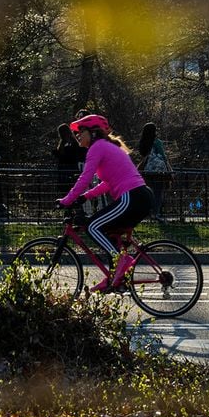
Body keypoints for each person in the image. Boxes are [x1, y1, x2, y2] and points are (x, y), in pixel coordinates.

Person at [57, 114, 155, 291]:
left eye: (81, 131)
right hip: (140, 197)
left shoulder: (97, 147)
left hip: (131, 197)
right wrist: (86, 197)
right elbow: (108, 182)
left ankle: (121, 262)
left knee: (93, 226)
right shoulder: (106, 146)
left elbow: (85, 177)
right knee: (108, 231)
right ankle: (113, 278)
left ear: (93, 132)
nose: (77, 135)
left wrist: (68, 200)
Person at [135, 122, 173, 221]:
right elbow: (163, 155)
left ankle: (147, 212)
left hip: (147, 170)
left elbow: (143, 155)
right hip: (159, 172)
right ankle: (155, 213)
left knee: (148, 192)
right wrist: (168, 167)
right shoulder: (157, 142)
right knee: (158, 192)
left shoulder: (143, 143)